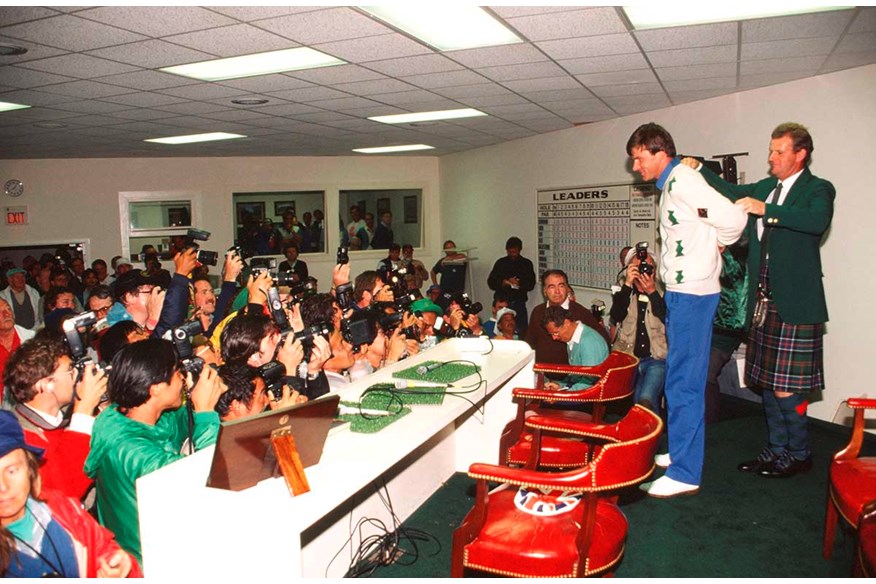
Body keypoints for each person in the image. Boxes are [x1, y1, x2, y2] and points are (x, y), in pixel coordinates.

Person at [687, 122, 835, 478]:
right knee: (767, 384)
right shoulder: (768, 187)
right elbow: (731, 189)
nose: (771, 158)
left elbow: (816, 221)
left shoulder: (818, 189)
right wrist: (701, 170)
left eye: (779, 151)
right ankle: (776, 450)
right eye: (770, 150)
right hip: (763, 305)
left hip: (795, 304)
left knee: (788, 388)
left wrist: (766, 210)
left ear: (800, 154)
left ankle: (799, 453)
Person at [627, 122, 746, 499]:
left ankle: (685, 471)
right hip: (682, 293)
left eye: (639, 158)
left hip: (693, 295)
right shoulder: (673, 185)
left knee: (684, 384)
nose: (635, 167)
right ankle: (680, 453)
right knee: (679, 380)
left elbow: (734, 219)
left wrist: (718, 246)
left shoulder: (684, 181)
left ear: (660, 152)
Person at [84, 338, 226, 562]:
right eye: (177, 372)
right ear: (156, 388)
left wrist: (197, 397)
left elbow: (172, 425)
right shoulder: (133, 452)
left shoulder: (126, 415)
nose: (182, 377)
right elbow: (211, 480)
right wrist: (206, 412)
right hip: (148, 564)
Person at [0, 411, 140, 578]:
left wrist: (118, 565)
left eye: (12, 470)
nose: (3, 487)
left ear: (30, 468)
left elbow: (103, 548)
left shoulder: (60, 506)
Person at [4, 336, 106, 500]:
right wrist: (84, 410)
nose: (78, 375)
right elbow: (63, 492)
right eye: (71, 370)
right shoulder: (18, 440)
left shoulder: (59, 417)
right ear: (46, 384)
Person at [609, 247, 667, 415]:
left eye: (648, 267)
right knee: (636, 403)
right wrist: (627, 284)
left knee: (646, 398)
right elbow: (616, 315)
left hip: (657, 358)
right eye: (638, 267)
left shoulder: (664, 292)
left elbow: (667, 318)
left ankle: (653, 436)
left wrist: (652, 292)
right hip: (631, 357)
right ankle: (648, 436)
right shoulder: (624, 292)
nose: (643, 271)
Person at [526, 269, 609, 364]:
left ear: (567, 288)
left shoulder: (581, 313)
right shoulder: (538, 311)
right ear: (545, 291)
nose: (557, 291)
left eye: (561, 286)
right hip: (542, 372)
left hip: (571, 376)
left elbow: (602, 341)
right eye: (551, 287)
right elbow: (529, 343)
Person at [541, 305, 609, 391]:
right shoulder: (574, 338)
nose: (554, 338)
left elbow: (590, 382)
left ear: (567, 323)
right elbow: (576, 377)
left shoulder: (589, 341)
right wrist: (560, 385)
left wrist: (561, 395)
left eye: (556, 333)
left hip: (592, 398)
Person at [487, 236, 536, 336]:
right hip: (502, 303)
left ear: (519, 250)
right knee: (499, 333)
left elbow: (531, 284)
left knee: (521, 332)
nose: (512, 254)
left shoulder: (526, 264)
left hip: (518, 303)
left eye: (515, 251)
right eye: (510, 252)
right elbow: (491, 282)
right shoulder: (501, 263)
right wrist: (503, 282)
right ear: (507, 250)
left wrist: (520, 283)